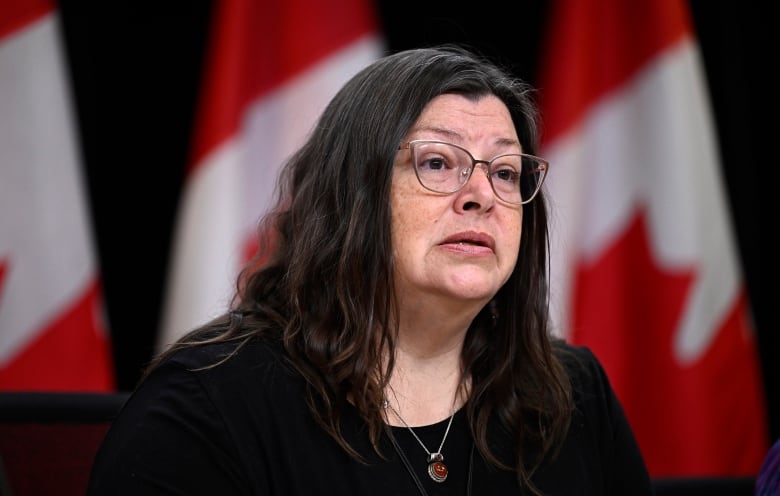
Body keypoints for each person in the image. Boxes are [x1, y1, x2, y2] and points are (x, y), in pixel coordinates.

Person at [87, 44, 654, 496]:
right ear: (351, 199)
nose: (483, 194)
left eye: (506, 172)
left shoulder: (571, 396)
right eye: (437, 162)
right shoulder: (207, 406)